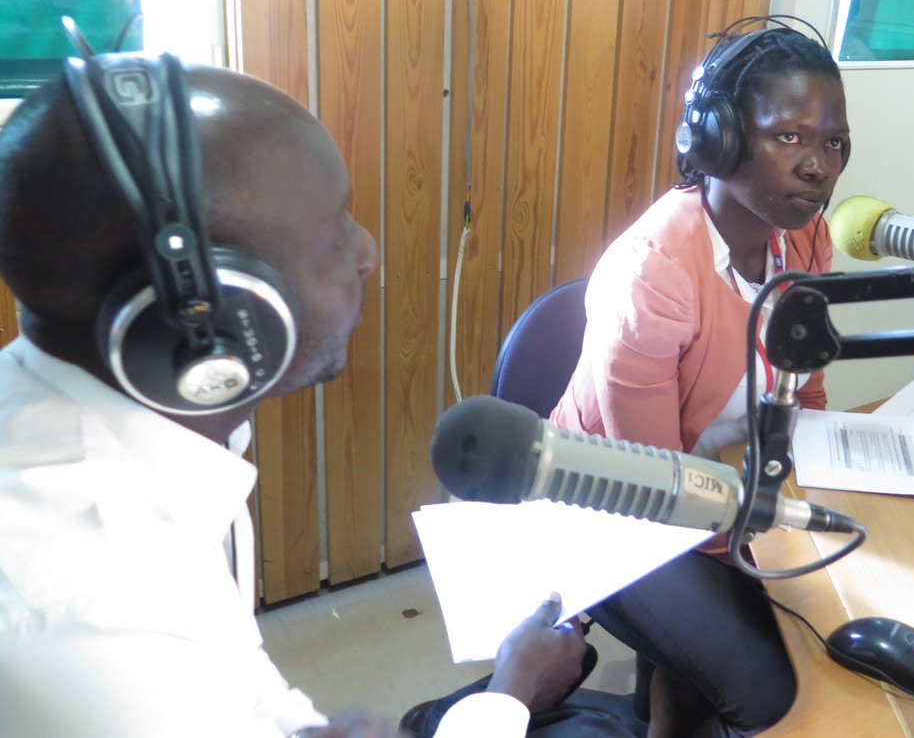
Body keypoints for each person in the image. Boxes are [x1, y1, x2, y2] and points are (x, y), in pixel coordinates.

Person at [0, 55, 632, 737]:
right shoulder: (87, 613)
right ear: (216, 309)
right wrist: (513, 693)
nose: (368, 252)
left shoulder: (125, 428)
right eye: (335, 237)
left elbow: (235, 684)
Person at [550, 17, 852, 737]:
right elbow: (658, 484)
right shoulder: (653, 271)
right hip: (613, 506)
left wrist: (813, 504)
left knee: (832, 612)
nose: (818, 166)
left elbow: (805, 392)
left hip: (723, 487)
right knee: (775, 687)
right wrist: (773, 552)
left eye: (834, 143)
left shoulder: (807, 240)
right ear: (717, 139)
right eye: (789, 137)